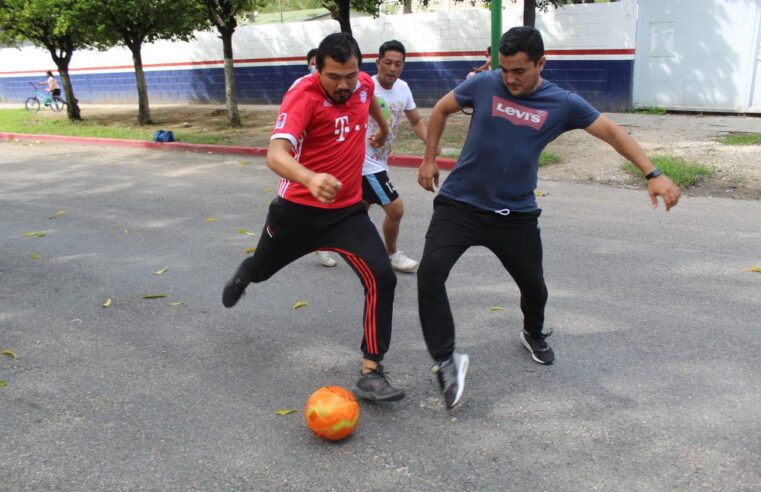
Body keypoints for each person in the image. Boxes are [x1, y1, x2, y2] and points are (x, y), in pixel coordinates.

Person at [417, 26, 682, 409]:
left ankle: (533, 332)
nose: (510, 79)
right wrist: (429, 158)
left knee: (534, 288)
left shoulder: (562, 103)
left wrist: (653, 173)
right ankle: (446, 360)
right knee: (430, 273)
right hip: (460, 205)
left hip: (515, 215)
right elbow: (441, 109)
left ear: (541, 63)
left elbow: (611, 132)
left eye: (519, 71)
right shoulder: (484, 84)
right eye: (505, 70)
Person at [222, 33, 405, 402]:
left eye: (349, 76)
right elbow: (276, 154)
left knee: (382, 277)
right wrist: (309, 177)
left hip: (347, 213)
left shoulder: (363, 84)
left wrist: (382, 128)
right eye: (334, 77)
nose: (343, 85)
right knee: (262, 268)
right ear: (316, 69)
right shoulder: (303, 96)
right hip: (298, 213)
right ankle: (246, 273)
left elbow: (369, 99)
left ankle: (372, 371)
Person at [361, 40, 428, 273]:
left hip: (380, 160)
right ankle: (392, 254)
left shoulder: (403, 88)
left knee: (358, 209)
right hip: (364, 162)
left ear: (403, 66)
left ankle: (325, 241)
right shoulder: (364, 86)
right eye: (387, 62)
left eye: (397, 64)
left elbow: (416, 120)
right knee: (396, 209)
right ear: (377, 62)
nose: (392, 68)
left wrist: (430, 142)